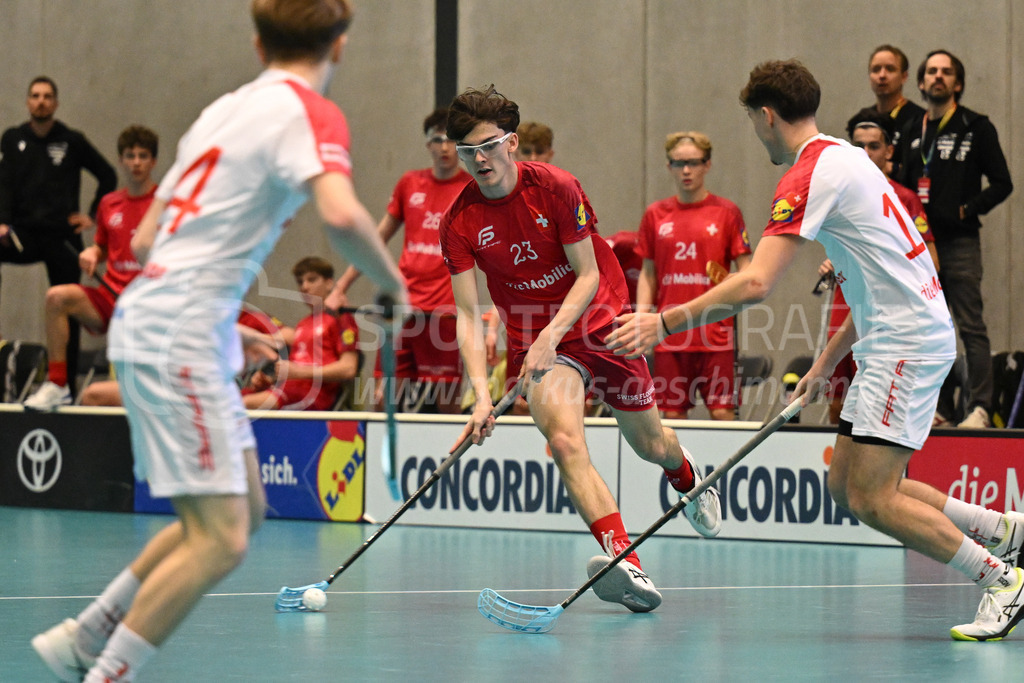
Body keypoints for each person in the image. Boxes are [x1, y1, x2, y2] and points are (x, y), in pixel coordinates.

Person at [30, 2, 406, 681]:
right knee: (223, 536)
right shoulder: (312, 112)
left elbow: (147, 242)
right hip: (180, 335)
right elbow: (343, 215)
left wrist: (224, 321)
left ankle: (89, 632)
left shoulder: (221, 112)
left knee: (243, 507)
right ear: (340, 47)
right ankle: (107, 671)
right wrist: (394, 285)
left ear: (258, 44)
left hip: (161, 319)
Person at [607, 58, 1024, 642]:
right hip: (893, 335)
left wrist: (663, 322)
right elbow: (874, 276)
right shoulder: (843, 155)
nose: (756, 132)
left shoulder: (808, 176)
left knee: (873, 498)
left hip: (904, 343)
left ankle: (1001, 578)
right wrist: (826, 364)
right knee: (846, 485)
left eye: (753, 121)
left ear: (767, 115)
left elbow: (755, 282)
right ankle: (1002, 529)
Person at [439, 85, 722, 615]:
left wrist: (552, 334)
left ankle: (686, 475)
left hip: (599, 323)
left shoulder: (556, 188)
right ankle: (625, 561)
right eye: (465, 150)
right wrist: (481, 395)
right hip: (536, 346)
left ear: (512, 142)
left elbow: (588, 274)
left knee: (651, 445)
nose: (478, 160)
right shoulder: (458, 222)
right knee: (566, 442)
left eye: (487, 145)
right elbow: (465, 315)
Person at [896, 49, 1013, 429]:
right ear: (920, 81)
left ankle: (979, 406)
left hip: (959, 243)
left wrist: (967, 209)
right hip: (919, 248)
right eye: (931, 72)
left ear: (957, 83)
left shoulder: (976, 126)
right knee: (930, 326)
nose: (938, 77)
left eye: (946, 72)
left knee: (969, 325)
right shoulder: (914, 129)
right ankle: (940, 406)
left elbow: (1003, 183)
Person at [331, 108, 469, 414]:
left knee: (447, 403)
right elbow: (375, 240)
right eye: (438, 139)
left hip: (443, 315)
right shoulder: (410, 184)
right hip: (401, 309)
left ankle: (448, 461)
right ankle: (385, 462)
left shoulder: (470, 190)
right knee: (383, 397)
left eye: (451, 140)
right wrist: (341, 287)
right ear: (427, 144)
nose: (445, 147)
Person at [22, 125, 159, 410]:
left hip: (149, 305)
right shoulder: (109, 204)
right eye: (130, 155)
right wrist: (92, 253)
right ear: (121, 160)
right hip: (110, 297)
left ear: (153, 162)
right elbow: (103, 247)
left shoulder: (163, 205)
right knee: (57, 297)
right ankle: (58, 385)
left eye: (143, 156)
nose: (136, 162)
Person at [816, 111, 939, 424]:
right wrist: (836, 262)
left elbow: (930, 263)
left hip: (886, 317)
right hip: (846, 309)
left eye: (873, 146)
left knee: (875, 408)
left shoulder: (906, 199)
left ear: (889, 151)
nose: (866, 153)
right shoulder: (840, 200)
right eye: (859, 146)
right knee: (838, 405)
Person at [0, 76, 117, 376]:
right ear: (27, 102)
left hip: (61, 236)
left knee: (68, 305)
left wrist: (89, 214)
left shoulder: (72, 140)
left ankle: (67, 385)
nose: (41, 101)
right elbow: (4, 183)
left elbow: (107, 175)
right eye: (35, 96)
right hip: (21, 233)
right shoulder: (12, 139)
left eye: (47, 96)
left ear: (56, 103)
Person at [636, 131, 751, 420]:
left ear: (707, 164)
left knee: (724, 414)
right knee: (671, 417)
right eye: (678, 163)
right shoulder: (655, 215)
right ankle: (680, 469)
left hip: (716, 335)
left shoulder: (727, 213)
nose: (686, 170)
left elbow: (747, 274)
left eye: (694, 162)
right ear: (669, 167)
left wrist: (732, 300)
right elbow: (648, 275)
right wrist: (641, 318)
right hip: (669, 334)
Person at [243, 256, 360, 410]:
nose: (304, 287)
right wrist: (269, 381)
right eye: (300, 282)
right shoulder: (303, 324)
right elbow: (294, 371)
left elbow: (348, 369)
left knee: (238, 405)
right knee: (241, 395)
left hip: (314, 394)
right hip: (290, 390)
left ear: (329, 283)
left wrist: (299, 372)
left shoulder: (342, 319)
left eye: (311, 280)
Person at [849, 44, 924, 179]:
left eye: (890, 69)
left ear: (904, 76)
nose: (882, 75)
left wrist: (893, 167)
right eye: (876, 70)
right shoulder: (862, 120)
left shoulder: (920, 119)